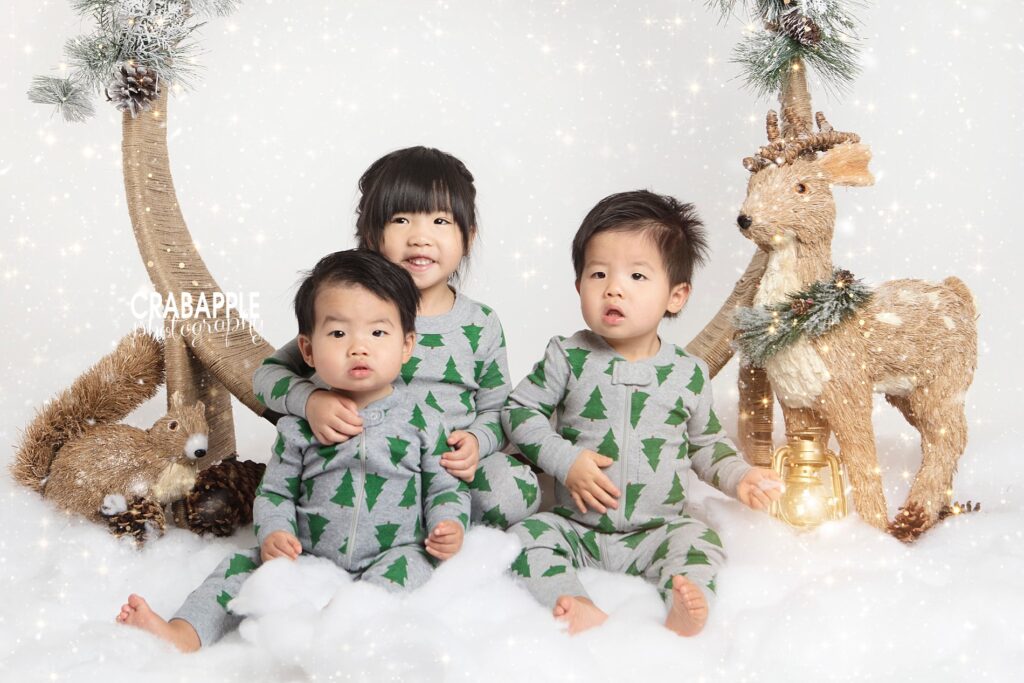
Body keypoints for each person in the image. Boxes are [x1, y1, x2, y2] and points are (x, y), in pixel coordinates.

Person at [117, 249, 471, 650]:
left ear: (407, 345)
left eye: (378, 333)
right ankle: (184, 632)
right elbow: (276, 492)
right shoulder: (300, 424)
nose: (359, 347)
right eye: (338, 334)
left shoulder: (424, 419)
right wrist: (276, 533)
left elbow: (447, 487)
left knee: (405, 573)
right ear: (307, 350)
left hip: (394, 551)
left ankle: (340, 640)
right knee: (237, 565)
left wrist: (450, 524)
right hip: (309, 553)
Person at [503, 190, 783, 636]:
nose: (614, 287)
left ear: (676, 296)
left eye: (636, 275)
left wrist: (741, 477)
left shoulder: (687, 374)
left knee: (701, 541)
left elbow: (707, 444)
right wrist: (564, 460)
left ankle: (685, 605)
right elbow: (519, 413)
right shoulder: (568, 356)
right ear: (579, 286)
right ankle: (574, 601)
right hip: (578, 527)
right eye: (598, 273)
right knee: (524, 537)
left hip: (658, 530)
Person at [254, 146, 539, 529]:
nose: (420, 238)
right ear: (371, 234)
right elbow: (266, 377)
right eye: (402, 219)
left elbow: (495, 410)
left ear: (468, 237)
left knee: (514, 488)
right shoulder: (350, 307)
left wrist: (476, 442)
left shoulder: (480, 322)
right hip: (361, 460)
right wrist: (312, 401)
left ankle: (434, 519)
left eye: (441, 221)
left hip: (442, 468)